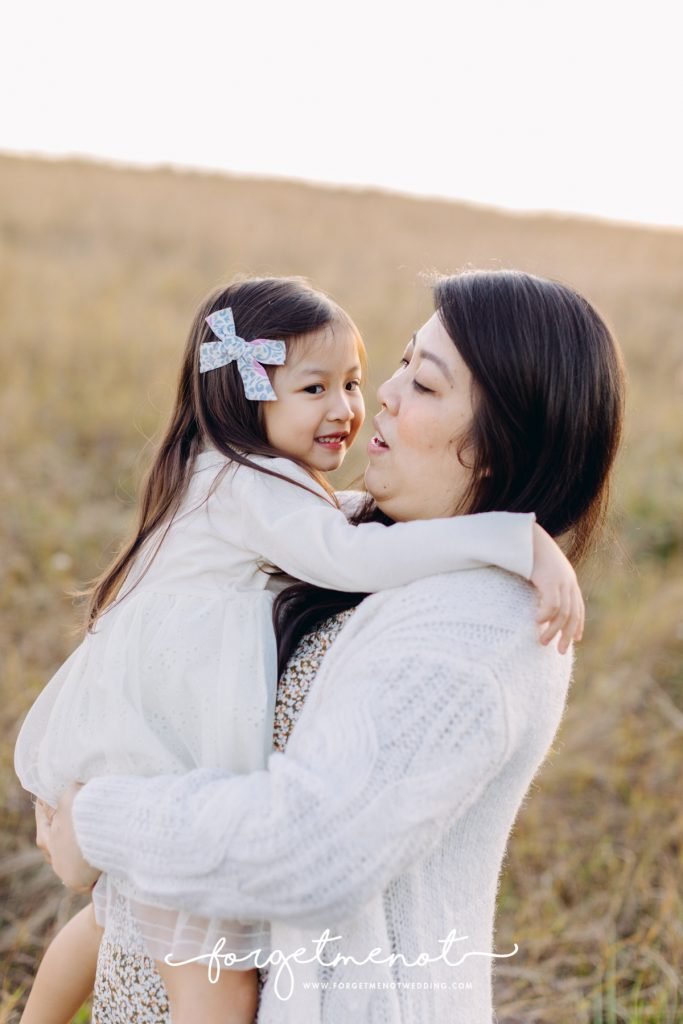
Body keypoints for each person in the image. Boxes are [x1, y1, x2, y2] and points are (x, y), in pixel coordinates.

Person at [15, 274, 581, 1024]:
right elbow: (337, 542)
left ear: (499, 441)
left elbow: (309, 845)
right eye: (398, 365)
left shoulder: (474, 631)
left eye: (421, 382)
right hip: (151, 939)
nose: (377, 397)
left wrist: (97, 819)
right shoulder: (316, 511)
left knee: (197, 977)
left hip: (316, 989)